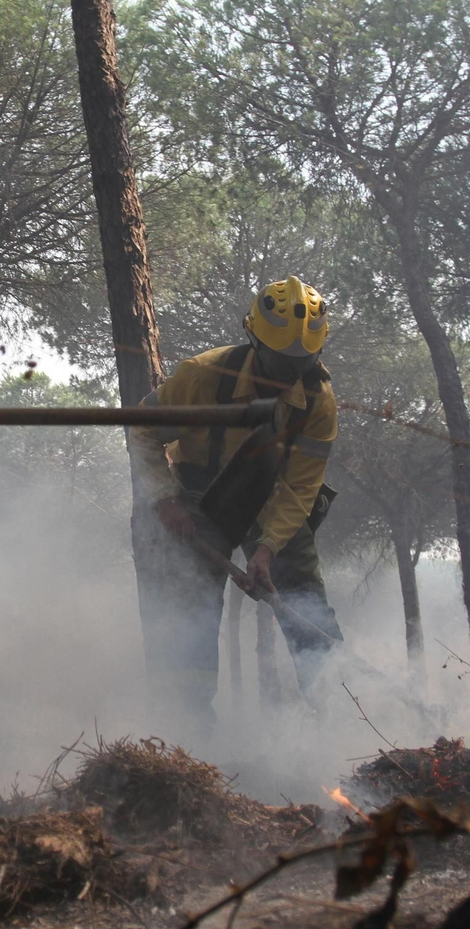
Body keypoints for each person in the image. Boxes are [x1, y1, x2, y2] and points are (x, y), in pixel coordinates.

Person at [127, 276, 344, 732]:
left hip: (273, 500)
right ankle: (189, 737)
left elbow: (302, 488)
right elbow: (143, 428)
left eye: (302, 362)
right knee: (191, 603)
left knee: (305, 598)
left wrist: (267, 550)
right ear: (254, 340)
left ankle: (341, 722)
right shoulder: (204, 376)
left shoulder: (318, 402)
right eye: (281, 361)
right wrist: (166, 499)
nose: (289, 375)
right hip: (201, 496)